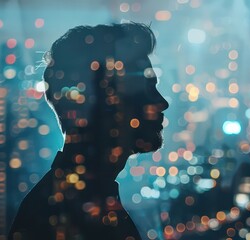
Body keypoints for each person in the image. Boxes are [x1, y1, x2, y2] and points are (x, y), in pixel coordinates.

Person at [10, 23, 169, 240]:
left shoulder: (71, 203)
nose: (161, 102)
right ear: (103, 103)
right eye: (146, 89)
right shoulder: (66, 215)